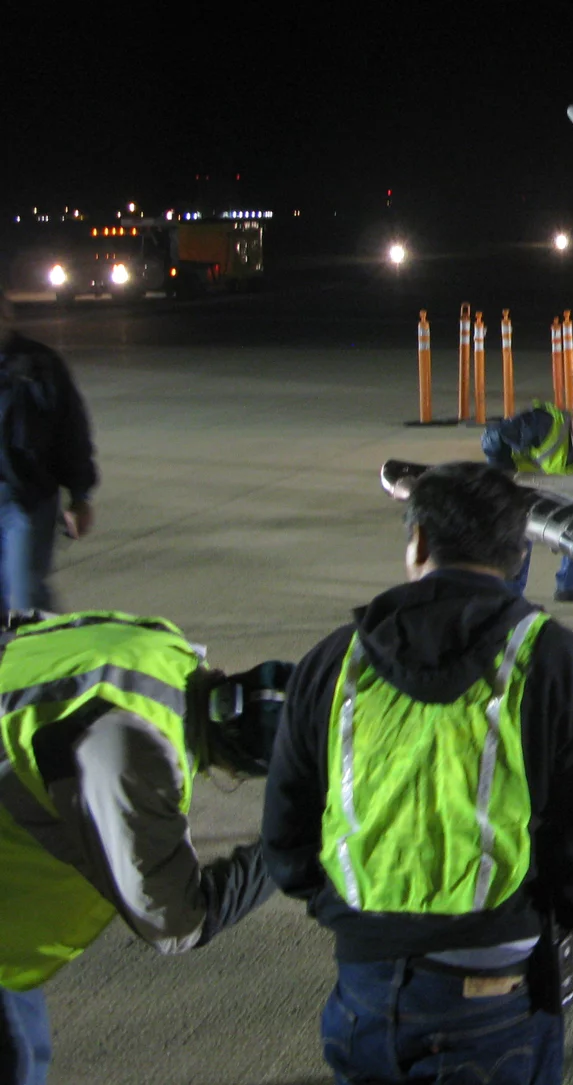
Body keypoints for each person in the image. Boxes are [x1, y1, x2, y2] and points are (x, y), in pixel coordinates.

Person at [263, 462, 573, 1085]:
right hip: (494, 989)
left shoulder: (334, 662)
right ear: (519, 553)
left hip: (362, 985)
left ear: (418, 543)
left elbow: (286, 833)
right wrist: (552, 921)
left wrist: (353, 916)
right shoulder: (553, 661)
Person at [0, 610, 288, 1085]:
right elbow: (176, 922)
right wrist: (286, 847)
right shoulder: (141, 750)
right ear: (242, 769)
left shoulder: (165, 647)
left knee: (24, 1048)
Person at [0, 298, 98, 611]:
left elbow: (72, 432)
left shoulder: (40, 365)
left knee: (27, 596)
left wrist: (79, 496)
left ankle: (53, 640)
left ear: (7, 313)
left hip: (27, 501)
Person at [481, 397, 573, 602]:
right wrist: (505, 479)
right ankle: (511, 596)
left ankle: (569, 587)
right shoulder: (542, 425)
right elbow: (491, 438)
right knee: (521, 530)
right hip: (522, 484)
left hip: (558, 490)